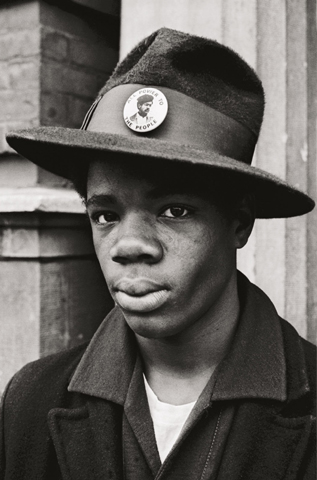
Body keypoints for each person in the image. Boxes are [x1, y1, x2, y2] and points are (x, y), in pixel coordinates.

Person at [1, 27, 316, 480]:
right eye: (105, 215)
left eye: (175, 210)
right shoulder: (31, 401)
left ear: (239, 223)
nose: (129, 246)